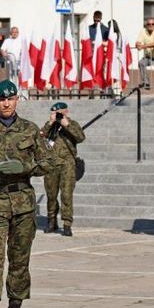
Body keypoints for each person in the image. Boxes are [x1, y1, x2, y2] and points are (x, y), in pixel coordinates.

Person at [0, 79, 56, 308]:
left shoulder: (30, 130)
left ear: (16, 100)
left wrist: (25, 168)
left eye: (10, 99)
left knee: (20, 260)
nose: (6, 103)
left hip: (22, 202)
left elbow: (49, 162)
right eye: (1, 100)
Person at [41, 101, 85, 237]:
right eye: (55, 113)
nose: (58, 115)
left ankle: (67, 223)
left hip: (68, 163)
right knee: (51, 194)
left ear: (66, 111)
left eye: (60, 112)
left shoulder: (72, 124)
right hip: (51, 163)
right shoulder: (50, 126)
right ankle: (51, 221)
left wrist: (67, 125)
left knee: (66, 194)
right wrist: (50, 122)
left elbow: (80, 137)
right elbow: (40, 135)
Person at [135, 17, 154, 97]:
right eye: (149, 24)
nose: (151, 26)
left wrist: (143, 46)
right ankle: (146, 82)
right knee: (141, 63)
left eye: (153, 24)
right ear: (146, 25)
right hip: (149, 56)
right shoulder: (143, 31)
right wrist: (138, 45)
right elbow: (138, 41)